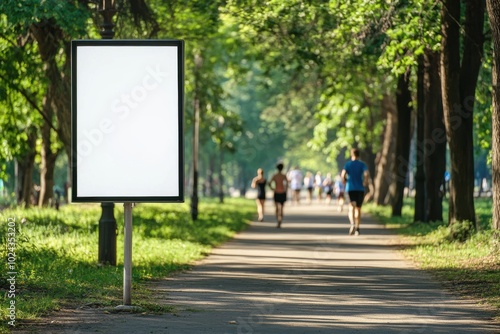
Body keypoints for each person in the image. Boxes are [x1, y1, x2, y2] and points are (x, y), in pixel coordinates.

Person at [341, 148, 370, 236]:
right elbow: (366, 173)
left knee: (351, 207)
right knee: (358, 208)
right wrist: (365, 181)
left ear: (351, 154)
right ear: (359, 155)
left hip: (350, 188)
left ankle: (352, 224)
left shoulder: (348, 164)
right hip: (360, 189)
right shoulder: (362, 164)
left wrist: (345, 181)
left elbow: (343, 174)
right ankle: (357, 228)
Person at [269, 162, 288, 228]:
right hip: (282, 192)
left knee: (277, 208)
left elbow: (269, 183)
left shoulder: (275, 175)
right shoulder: (284, 176)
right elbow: (287, 184)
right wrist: (285, 190)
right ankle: (280, 220)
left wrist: (273, 189)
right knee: (282, 208)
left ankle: (278, 220)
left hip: (276, 192)